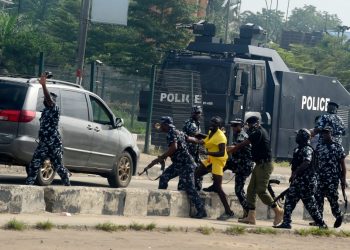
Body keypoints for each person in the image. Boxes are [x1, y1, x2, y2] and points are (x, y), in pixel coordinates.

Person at [228, 116, 283, 225]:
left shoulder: (258, 132)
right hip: (259, 164)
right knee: (251, 190)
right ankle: (251, 217)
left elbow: (243, 144)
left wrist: (230, 149)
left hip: (265, 165)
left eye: (252, 124)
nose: (250, 127)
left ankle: (278, 210)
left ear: (257, 123)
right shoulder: (257, 132)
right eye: (249, 124)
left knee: (261, 190)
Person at [274, 129, 327, 229]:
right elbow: (295, 165)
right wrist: (293, 176)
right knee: (289, 200)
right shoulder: (298, 149)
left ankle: (321, 224)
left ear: (303, 137)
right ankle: (286, 222)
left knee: (310, 205)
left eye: (298, 135)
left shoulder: (307, 149)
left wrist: (295, 173)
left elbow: (307, 161)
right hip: (298, 181)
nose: (296, 137)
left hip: (307, 182)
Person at [156, 116, 207, 219]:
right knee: (164, 177)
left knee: (190, 188)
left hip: (186, 164)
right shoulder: (177, 131)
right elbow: (189, 139)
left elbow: (173, 147)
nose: (160, 126)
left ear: (166, 125)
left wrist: (162, 157)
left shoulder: (171, 133)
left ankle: (201, 211)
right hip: (179, 163)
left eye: (161, 124)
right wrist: (200, 141)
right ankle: (161, 204)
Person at [26, 74, 71, 186]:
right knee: (34, 164)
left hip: (54, 143)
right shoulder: (45, 111)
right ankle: (28, 186)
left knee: (58, 166)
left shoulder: (54, 109)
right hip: (44, 143)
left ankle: (67, 185)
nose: (44, 101)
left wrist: (44, 85)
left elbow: (49, 100)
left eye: (46, 99)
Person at [188, 116, 235, 220]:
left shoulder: (221, 137)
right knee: (195, 174)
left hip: (218, 161)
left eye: (215, 123)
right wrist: (197, 136)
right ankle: (196, 196)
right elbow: (207, 139)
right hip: (210, 160)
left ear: (219, 126)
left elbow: (222, 152)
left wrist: (206, 152)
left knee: (219, 188)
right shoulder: (211, 132)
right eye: (211, 122)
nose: (212, 124)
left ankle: (229, 211)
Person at [314, 126, 347, 228]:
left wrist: (343, 179)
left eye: (327, 133)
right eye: (323, 133)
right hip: (320, 178)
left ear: (331, 134)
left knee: (332, 199)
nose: (324, 134)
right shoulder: (319, 146)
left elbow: (343, 165)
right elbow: (315, 162)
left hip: (332, 179)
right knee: (318, 198)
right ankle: (319, 221)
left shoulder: (338, 147)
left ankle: (338, 215)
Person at [227, 119, 254, 219]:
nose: (233, 127)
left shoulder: (242, 135)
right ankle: (247, 212)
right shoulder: (240, 134)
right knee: (240, 190)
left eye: (235, 125)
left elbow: (234, 148)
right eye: (232, 125)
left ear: (241, 126)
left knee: (238, 190)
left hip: (243, 166)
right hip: (241, 164)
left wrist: (223, 148)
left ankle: (248, 211)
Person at [178, 105, 203, 191]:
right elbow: (196, 135)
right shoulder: (190, 123)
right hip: (188, 153)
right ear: (192, 113)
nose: (198, 114)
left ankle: (196, 191)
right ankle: (182, 191)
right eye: (196, 113)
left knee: (198, 174)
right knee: (185, 175)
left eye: (199, 113)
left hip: (195, 154)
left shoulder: (197, 123)